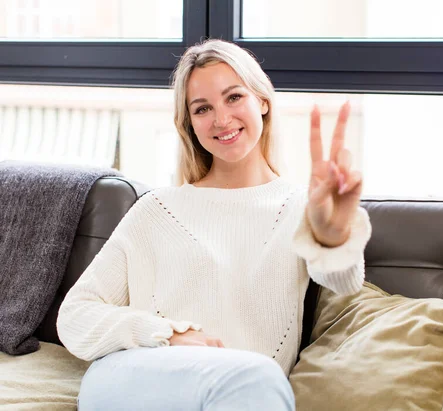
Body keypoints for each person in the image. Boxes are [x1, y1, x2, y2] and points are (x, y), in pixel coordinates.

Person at [57, 39, 372, 411]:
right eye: (202, 108)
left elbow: (345, 282)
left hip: (242, 391)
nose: (221, 119)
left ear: (263, 101)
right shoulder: (158, 209)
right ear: (189, 124)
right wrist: (167, 336)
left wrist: (332, 234)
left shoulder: (301, 207)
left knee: (256, 378)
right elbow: (75, 316)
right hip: (137, 377)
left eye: (234, 97)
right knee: (257, 378)